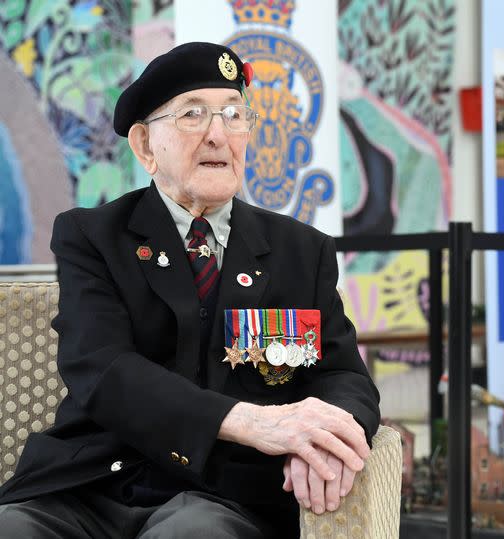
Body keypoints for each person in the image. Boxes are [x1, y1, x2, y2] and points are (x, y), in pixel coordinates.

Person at [0, 42, 380, 538]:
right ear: (143, 146)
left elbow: (343, 376)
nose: (218, 135)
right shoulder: (93, 236)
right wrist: (248, 421)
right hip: (93, 484)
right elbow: (102, 369)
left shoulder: (300, 251)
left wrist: (326, 437)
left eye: (234, 115)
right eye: (192, 115)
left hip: (223, 495)